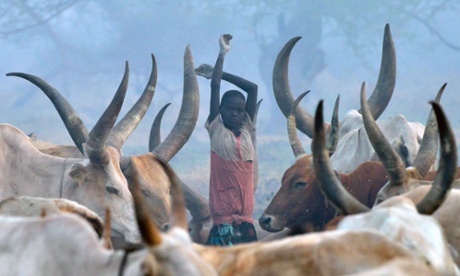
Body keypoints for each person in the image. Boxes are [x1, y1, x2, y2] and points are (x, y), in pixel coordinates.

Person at [195, 34, 258, 246]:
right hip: (223, 222)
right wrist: (221, 56)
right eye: (229, 110)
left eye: (239, 110)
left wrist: (220, 74)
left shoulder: (247, 128)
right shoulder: (216, 128)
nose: (234, 114)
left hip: (247, 221)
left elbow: (252, 89)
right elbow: (215, 88)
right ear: (220, 110)